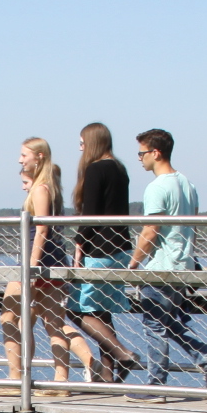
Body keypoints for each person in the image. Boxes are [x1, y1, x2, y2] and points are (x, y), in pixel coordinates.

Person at [0, 138, 96, 393]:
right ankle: (60, 380)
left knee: (9, 317)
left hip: (37, 261)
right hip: (53, 260)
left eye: (24, 155)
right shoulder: (50, 187)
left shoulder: (40, 189)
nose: (20, 160)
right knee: (53, 323)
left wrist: (30, 267)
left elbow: (41, 230)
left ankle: (16, 378)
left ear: (39, 157)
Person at [128, 128, 207, 390]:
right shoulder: (188, 185)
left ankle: (156, 385)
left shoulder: (157, 187)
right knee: (168, 323)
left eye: (142, 153)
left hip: (161, 268)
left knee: (154, 326)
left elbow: (151, 230)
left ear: (156, 153)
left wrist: (134, 263)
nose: (139, 158)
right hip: (184, 265)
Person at [69, 124, 143, 382]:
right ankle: (108, 374)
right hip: (121, 248)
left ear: (92, 142)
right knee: (102, 312)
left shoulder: (95, 169)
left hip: (99, 250)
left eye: (82, 142)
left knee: (76, 309)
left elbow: (90, 214)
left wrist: (78, 245)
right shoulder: (120, 169)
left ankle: (123, 354)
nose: (80, 148)